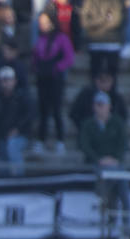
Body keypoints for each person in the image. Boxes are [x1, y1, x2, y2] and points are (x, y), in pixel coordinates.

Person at [78, 90, 129, 212]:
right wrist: (98, 159)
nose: (100, 108)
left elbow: (123, 144)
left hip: (115, 163)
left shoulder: (117, 123)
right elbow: (84, 145)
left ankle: (126, 210)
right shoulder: (88, 125)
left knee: (120, 176)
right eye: (97, 104)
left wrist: (115, 159)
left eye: (103, 104)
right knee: (106, 177)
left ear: (109, 106)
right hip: (96, 164)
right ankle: (105, 208)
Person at [31, 10, 74, 155]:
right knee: (42, 110)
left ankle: (60, 140)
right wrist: (38, 68)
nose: (43, 25)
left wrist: (56, 67)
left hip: (55, 79)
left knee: (56, 110)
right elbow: (36, 56)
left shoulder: (61, 38)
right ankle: (40, 140)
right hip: (42, 79)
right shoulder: (40, 39)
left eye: (45, 22)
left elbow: (69, 57)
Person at [0, 65, 32, 176]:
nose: (6, 83)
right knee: (1, 155)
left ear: (14, 81)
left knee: (12, 145)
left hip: (21, 135)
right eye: (3, 80)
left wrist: (17, 129)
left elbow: (29, 116)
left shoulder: (22, 97)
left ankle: (20, 178)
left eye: (9, 80)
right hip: (1, 136)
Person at [68, 65, 127, 141]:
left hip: (111, 137)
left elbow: (123, 116)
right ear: (96, 81)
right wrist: (86, 127)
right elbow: (74, 113)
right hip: (89, 136)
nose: (105, 84)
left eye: (108, 81)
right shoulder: (85, 94)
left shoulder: (116, 97)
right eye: (102, 81)